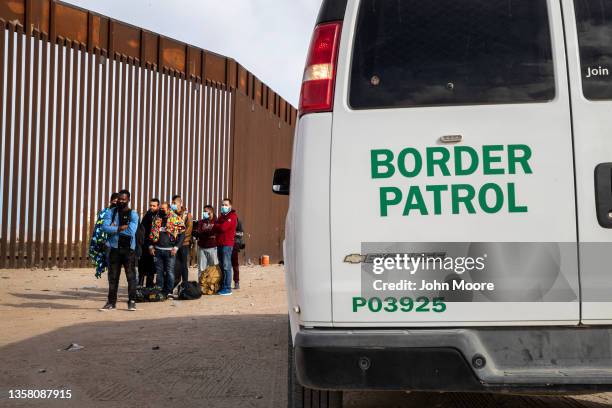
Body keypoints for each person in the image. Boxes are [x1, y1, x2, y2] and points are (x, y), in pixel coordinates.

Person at [99, 190, 139, 311]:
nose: (121, 201)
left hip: (128, 250)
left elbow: (131, 231)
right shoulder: (111, 212)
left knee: (131, 277)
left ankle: (132, 301)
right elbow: (104, 227)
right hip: (114, 249)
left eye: (124, 199)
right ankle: (111, 303)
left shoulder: (133, 214)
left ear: (128, 200)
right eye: (119, 199)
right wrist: (119, 227)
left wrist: (113, 228)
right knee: (113, 277)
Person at [149, 202, 185, 299]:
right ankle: (159, 290)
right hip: (158, 250)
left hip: (170, 250)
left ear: (168, 209)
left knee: (170, 272)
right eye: (160, 208)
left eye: (163, 208)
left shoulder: (176, 219)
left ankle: (169, 291)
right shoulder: (156, 219)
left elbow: (182, 234)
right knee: (159, 272)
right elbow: (152, 233)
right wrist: (151, 246)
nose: (161, 210)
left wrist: (176, 247)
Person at [89, 192, 119, 279]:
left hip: (120, 243)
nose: (115, 203)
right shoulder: (105, 212)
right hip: (107, 243)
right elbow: (98, 227)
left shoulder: (122, 213)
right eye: (114, 201)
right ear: (111, 201)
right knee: (111, 266)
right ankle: (112, 287)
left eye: (118, 201)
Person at [213, 198, 238, 296]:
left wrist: (218, 225)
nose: (223, 206)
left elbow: (223, 228)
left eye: (226, 205)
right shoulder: (221, 216)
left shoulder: (232, 216)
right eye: (222, 205)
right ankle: (223, 286)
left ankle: (227, 288)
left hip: (227, 245)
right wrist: (218, 225)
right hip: (219, 244)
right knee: (221, 266)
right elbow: (216, 226)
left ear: (230, 206)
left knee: (227, 266)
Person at [136, 198, 160, 287]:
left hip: (155, 246)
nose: (151, 207)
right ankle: (140, 285)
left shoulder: (159, 216)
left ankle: (149, 285)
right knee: (142, 266)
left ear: (158, 206)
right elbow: (142, 229)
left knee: (152, 267)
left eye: (154, 206)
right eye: (150, 205)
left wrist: (153, 245)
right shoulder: (147, 215)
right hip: (145, 245)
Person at [171, 195, 193, 290]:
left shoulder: (187, 215)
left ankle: (185, 285)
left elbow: (189, 229)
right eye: (172, 203)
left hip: (184, 244)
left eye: (174, 203)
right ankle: (173, 284)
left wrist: (180, 240)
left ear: (180, 203)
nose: (173, 205)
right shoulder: (171, 214)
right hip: (173, 244)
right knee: (174, 266)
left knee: (184, 265)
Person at [195, 205, 218, 281]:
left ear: (211, 212)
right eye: (204, 211)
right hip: (202, 247)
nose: (204, 213)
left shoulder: (216, 222)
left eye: (206, 211)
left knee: (213, 267)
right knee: (201, 267)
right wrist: (208, 234)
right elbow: (199, 232)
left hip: (213, 247)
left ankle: (213, 284)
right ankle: (201, 284)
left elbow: (215, 233)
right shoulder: (201, 222)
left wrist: (205, 234)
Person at [231, 218, 245, 290]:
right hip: (225, 245)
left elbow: (241, 233)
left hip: (234, 245)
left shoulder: (237, 221)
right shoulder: (223, 219)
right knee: (224, 266)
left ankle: (236, 282)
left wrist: (231, 232)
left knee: (235, 265)